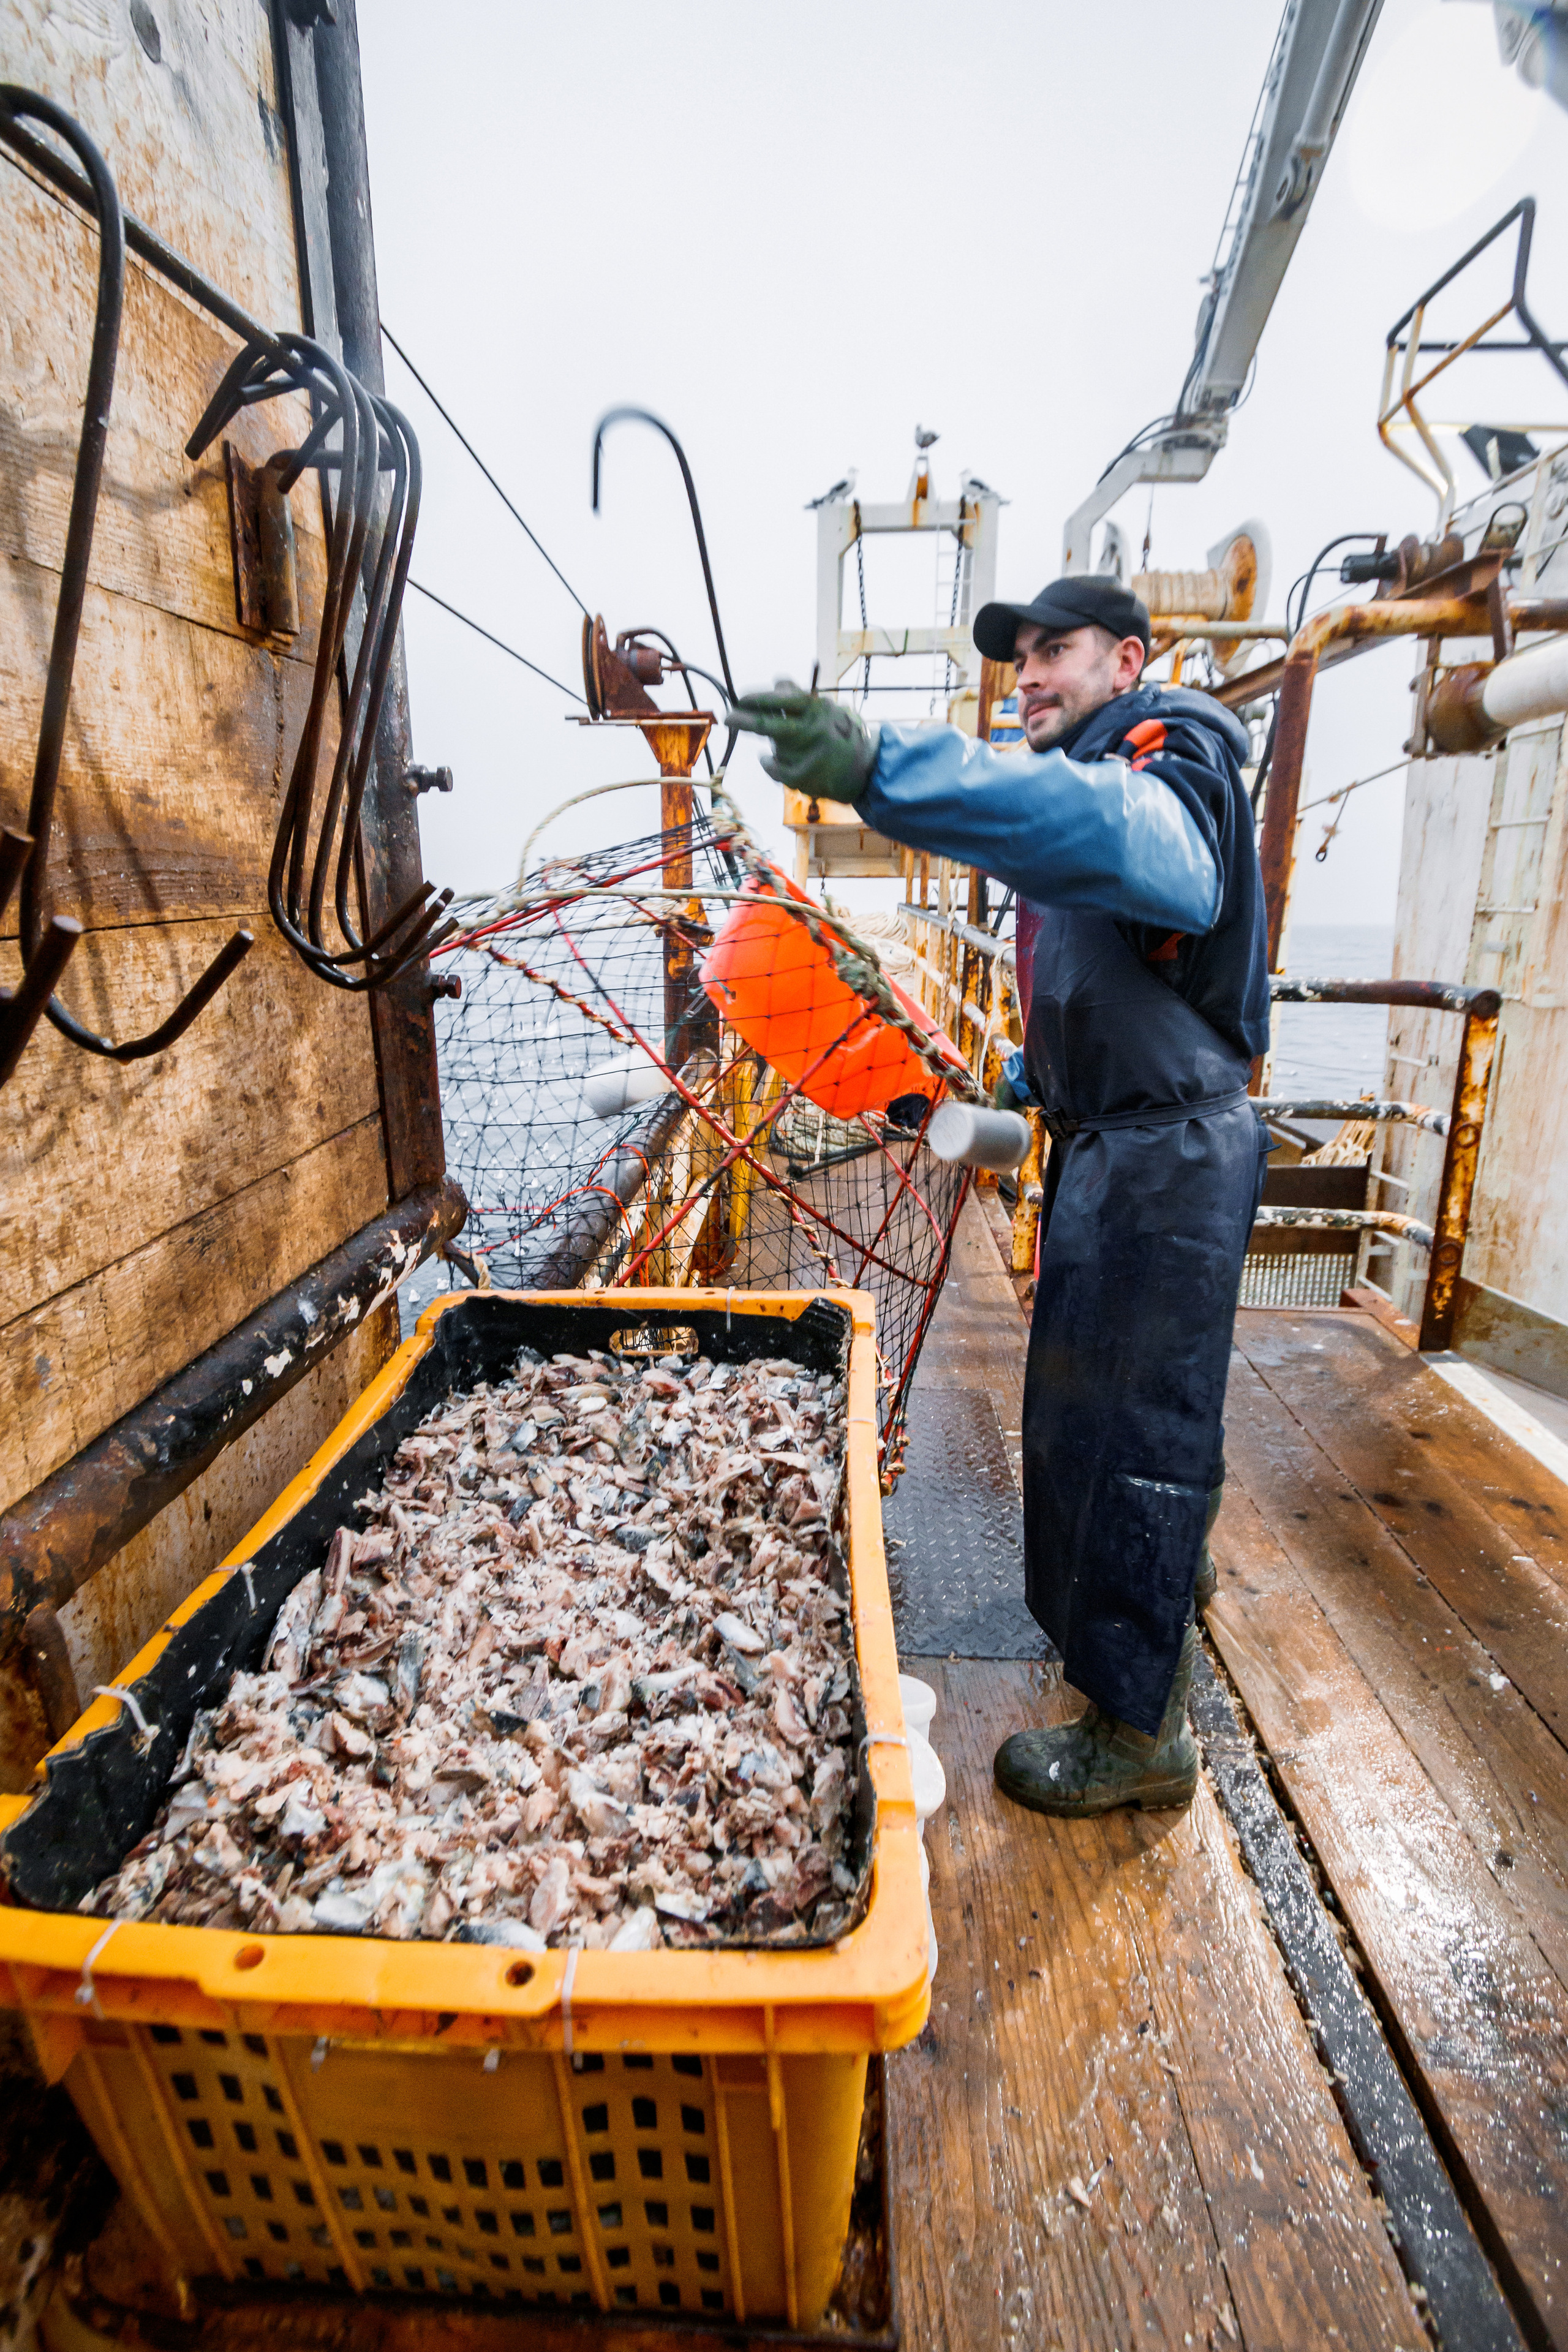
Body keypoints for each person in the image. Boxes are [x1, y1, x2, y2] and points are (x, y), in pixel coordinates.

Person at [729, 575, 1270, 1817]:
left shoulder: (1167, 759)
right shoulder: (1088, 773)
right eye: (1016, 658)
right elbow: (1108, 967)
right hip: (1113, 1141)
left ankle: (1141, 1738)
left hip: (1163, 1158)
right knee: (1121, 1411)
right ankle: (1161, 1586)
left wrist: (888, 767)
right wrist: (1032, 1075)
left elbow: (1155, 857)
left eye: (1054, 651)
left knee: (1128, 1434)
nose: (1026, 677)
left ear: (1126, 659)